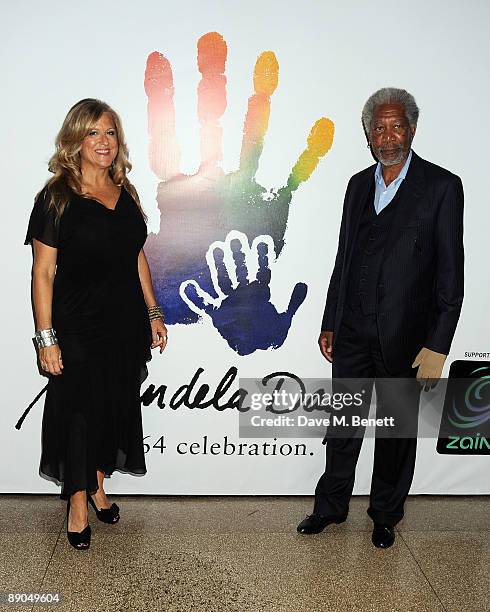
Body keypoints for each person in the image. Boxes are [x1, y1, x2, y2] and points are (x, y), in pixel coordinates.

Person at [297, 88, 464, 548]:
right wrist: (331, 320)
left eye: (396, 126)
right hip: (351, 331)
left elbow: (452, 272)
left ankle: (386, 513)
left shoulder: (441, 187)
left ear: (411, 129)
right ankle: (330, 508)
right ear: (368, 135)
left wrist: (439, 342)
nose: (387, 137)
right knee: (344, 425)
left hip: (407, 338)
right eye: (379, 128)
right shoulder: (356, 185)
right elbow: (344, 259)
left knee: (395, 433)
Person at [24, 99, 168, 551]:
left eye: (110, 133)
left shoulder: (126, 192)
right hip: (78, 325)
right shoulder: (56, 197)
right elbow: (42, 272)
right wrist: (46, 338)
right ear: (75, 140)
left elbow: (135, 256)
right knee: (81, 415)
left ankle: (100, 485)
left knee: (114, 405)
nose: (104, 142)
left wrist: (153, 311)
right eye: (93, 133)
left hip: (123, 323)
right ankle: (79, 504)